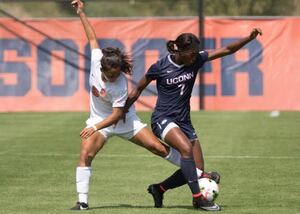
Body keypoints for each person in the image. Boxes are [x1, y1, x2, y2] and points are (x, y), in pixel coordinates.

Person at [124, 29, 262, 211]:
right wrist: (122, 111)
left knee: (196, 170)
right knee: (186, 150)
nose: (195, 57)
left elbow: (227, 49)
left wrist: (249, 38)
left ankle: (159, 189)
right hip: (162, 119)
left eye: (197, 53)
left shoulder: (196, 60)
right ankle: (199, 198)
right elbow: (138, 89)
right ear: (179, 51)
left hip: (184, 122)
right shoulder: (160, 67)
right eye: (191, 53)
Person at [70, 0, 185, 210]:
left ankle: (199, 174)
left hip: (122, 120)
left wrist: (94, 127)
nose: (112, 77)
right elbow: (92, 38)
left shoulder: (121, 85)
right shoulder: (97, 60)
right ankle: (82, 202)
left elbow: (116, 115)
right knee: (86, 154)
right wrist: (81, 13)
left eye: (116, 74)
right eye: (109, 74)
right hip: (98, 120)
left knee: (157, 148)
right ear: (103, 67)